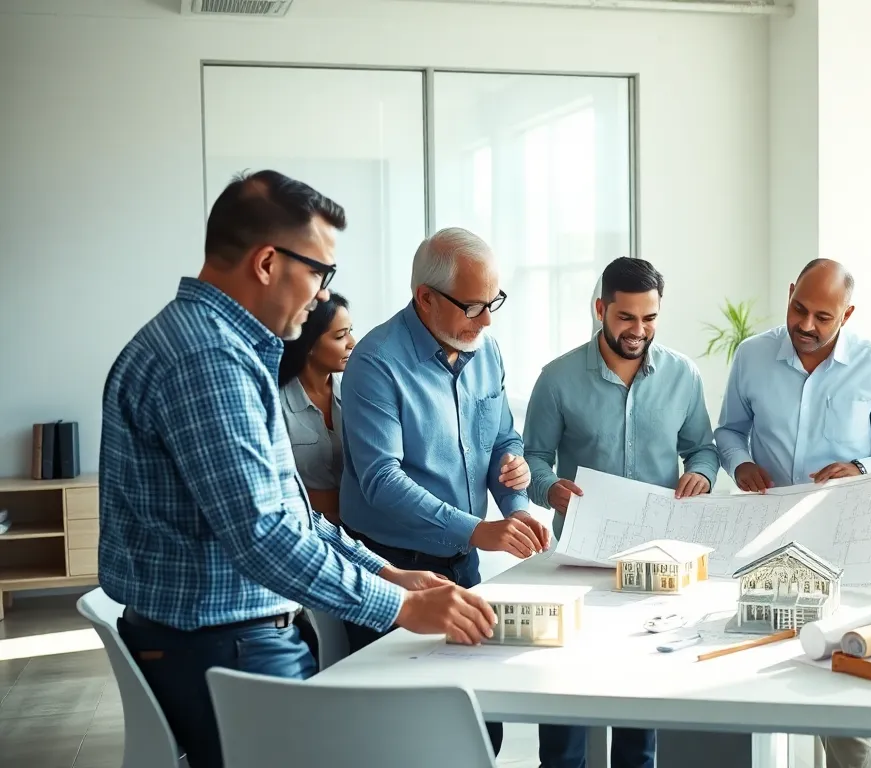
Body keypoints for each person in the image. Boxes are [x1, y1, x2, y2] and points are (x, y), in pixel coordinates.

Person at [98, 170, 495, 768]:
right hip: (224, 648)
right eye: (319, 272)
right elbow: (265, 537)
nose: (321, 296)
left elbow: (293, 513)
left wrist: (387, 572)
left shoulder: (223, 347)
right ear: (265, 263)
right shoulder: (207, 359)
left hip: (230, 640)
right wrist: (399, 607)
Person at [338, 226, 551, 755]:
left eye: (493, 302)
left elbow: (503, 437)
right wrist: (479, 528)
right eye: (473, 306)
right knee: (403, 736)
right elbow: (381, 480)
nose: (487, 320)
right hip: (390, 566)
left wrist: (517, 502)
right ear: (425, 298)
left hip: (462, 565)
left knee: (479, 727)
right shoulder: (375, 362)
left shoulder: (487, 349)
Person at [714, 257, 871, 768]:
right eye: (799, 309)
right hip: (766, 540)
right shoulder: (752, 355)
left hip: (842, 547)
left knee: (840, 686)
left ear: (847, 315)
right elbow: (728, 430)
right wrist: (740, 465)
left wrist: (860, 467)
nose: (806, 325)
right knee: (755, 671)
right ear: (789, 295)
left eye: (823, 317)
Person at [524, 256, 719, 768]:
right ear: (600, 310)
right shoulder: (558, 378)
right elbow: (533, 457)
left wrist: (701, 472)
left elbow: (703, 448)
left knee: (640, 700)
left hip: (656, 562)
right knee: (565, 696)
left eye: (649, 319)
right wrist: (550, 489)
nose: (638, 331)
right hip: (578, 561)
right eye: (625, 318)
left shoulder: (683, 376)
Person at [278, 291, 355, 526]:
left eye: (350, 331)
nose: (352, 343)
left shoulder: (358, 392)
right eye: (341, 336)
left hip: (362, 532)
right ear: (309, 344)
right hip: (305, 530)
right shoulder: (275, 402)